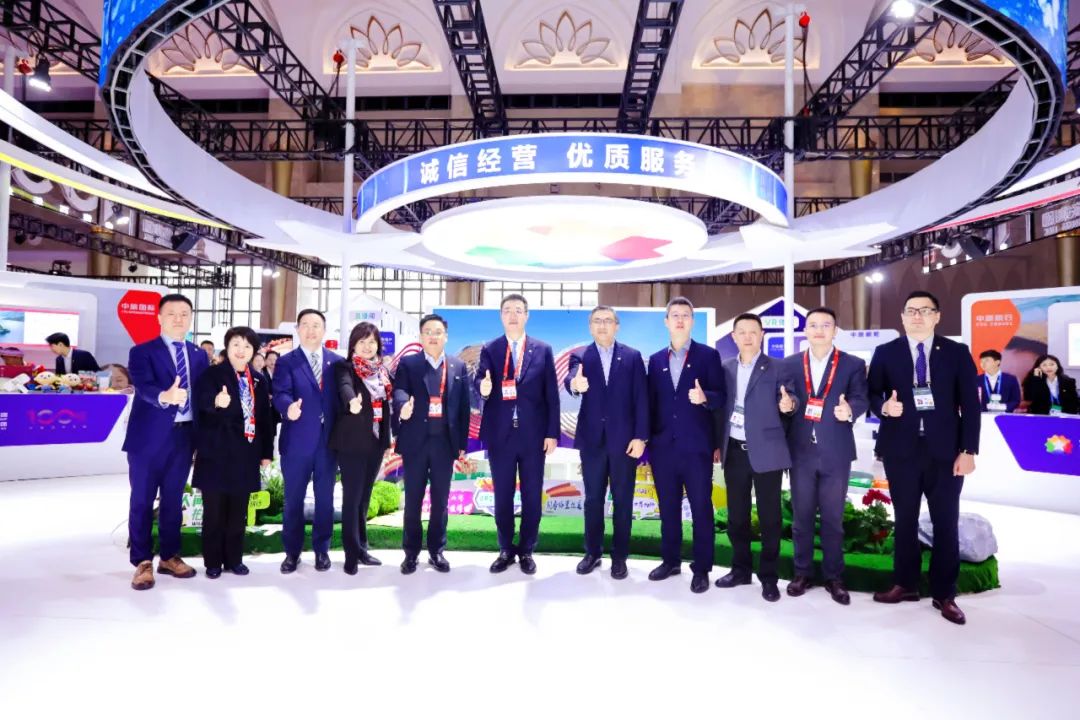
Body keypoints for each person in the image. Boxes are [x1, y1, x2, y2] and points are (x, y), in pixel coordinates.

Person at [868, 290, 980, 626]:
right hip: (901, 450)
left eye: (925, 310)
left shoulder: (956, 352)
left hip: (945, 452)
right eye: (911, 310)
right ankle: (905, 584)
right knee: (905, 520)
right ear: (902, 317)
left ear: (937, 316)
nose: (917, 316)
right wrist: (884, 407)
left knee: (945, 522)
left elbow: (970, 405)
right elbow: (872, 393)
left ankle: (945, 593)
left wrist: (968, 450)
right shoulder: (886, 352)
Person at [781, 307, 869, 605]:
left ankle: (834, 577)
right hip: (801, 452)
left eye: (825, 325)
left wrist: (850, 410)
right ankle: (802, 573)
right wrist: (788, 405)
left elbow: (860, 397)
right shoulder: (790, 363)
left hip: (836, 452)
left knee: (833, 519)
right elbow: (789, 397)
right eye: (813, 325)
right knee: (802, 518)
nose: (819, 330)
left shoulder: (852, 364)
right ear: (805, 330)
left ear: (835, 330)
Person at [123, 294, 209, 591]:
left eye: (184, 313)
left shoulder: (198, 354)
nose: (178, 319)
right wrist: (165, 396)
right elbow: (143, 386)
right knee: (142, 499)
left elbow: (202, 393)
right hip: (148, 438)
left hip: (184, 436)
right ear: (159, 318)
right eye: (171, 313)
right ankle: (142, 561)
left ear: (191, 318)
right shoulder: (142, 351)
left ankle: (170, 556)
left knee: (173, 499)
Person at [475, 294, 559, 575]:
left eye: (518, 310)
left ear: (527, 316)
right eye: (508, 310)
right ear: (501, 316)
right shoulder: (491, 349)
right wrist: (483, 387)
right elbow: (480, 380)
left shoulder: (543, 349)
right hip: (500, 435)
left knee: (533, 496)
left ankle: (526, 550)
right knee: (502, 495)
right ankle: (505, 549)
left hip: (534, 436)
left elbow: (551, 394)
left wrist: (552, 432)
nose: (513, 315)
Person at [646, 297, 724, 594]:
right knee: (668, 508)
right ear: (666, 322)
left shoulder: (708, 356)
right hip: (663, 448)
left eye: (685, 315)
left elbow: (721, 396)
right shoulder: (655, 360)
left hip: (697, 448)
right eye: (674, 315)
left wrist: (706, 398)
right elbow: (650, 404)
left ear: (692, 321)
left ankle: (701, 568)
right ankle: (671, 561)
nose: (680, 320)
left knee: (701, 509)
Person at [715, 312, 795, 603]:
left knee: (770, 518)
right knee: (737, 516)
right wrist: (717, 444)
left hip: (767, 452)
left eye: (753, 332)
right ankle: (740, 570)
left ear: (762, 335)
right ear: (733, 336)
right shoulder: (725, 368)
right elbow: (720, 410)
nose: (747, 337)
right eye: (742, 332)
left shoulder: (778, 367)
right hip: (734, 451)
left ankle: (769, 576)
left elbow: (792, 399)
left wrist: (788, 404)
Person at [565, 305, 648, 580]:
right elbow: (571, 378)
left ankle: (620, 557)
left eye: (608, 320)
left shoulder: (633, 357)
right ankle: (593, 553)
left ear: (617, 326)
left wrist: (640, 436)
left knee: (623, 501)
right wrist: (575, 385)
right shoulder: (580, 355)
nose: (602, 325)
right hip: (592, 442)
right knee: (592, 500)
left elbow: (641, 399)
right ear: (590, 327)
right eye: (597, 321)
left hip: (625, 443)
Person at [192, 326, 274, 578]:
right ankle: (213, 562)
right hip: (215, 453)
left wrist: (266, 452)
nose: (241, 350)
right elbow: (200, 405)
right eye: (236, 344)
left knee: (238, 512)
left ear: (253, 352)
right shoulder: (212, 375)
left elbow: (265, 419)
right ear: (227, 348)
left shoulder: (258, 380)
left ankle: (234, 559)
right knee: (214, 511)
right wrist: (216, 403)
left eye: (247, 346)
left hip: (246, 454)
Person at [393, 314, 471, 574]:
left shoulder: (458, 366)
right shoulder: (409, 363)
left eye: (438, 332)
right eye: (428, 331)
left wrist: (461, 445)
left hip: (444, 445)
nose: (433, 336)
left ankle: (436, 551)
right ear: (420, 336)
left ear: (446, 336)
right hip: (415, 443)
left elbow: (463, 407)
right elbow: (399, 390)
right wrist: (403, 406)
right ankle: (411, 553)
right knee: (413, 501)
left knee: (440, 502)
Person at [273, 309, 343, 574]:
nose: (311, 330)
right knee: (293, 500)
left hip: (328, 444)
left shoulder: (337, 362)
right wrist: (288, 407)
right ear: (297, 330)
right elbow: (280, 393)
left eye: (316, 325)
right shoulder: (286, 362)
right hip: (297, 443)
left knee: (325, 499)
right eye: (305, 325)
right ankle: (292, 553)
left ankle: (322, 550)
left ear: (324, 330)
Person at [329, 322, 394, 575]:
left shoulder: (382, 372)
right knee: (352, 498)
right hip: (352, 444)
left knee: (364, 498)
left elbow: (387, 408)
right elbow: (345, 387)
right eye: (362, 342)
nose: (367, 347)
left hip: (376, 443)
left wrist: (387, 441)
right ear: (353, 345)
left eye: (372, 342)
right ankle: (350, 554)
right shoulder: (344, 367)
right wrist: (351, 402)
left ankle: (362, 548)